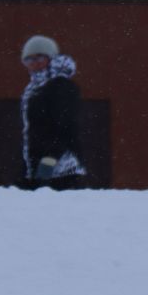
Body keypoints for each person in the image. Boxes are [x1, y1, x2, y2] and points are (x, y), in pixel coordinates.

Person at [18, 35, 86, 190]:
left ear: (51, 58)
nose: (35, 63)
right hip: (36, 161)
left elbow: (66, 125)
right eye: (29, 60)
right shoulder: (33, 88)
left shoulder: (60, 85)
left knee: (57, 209)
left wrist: (50, 158)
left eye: (40, 57)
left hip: (59, 166)